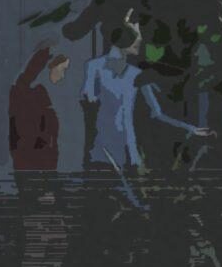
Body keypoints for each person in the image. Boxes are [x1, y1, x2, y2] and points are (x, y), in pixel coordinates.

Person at [79, 38, 208, 214]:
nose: (139, 39)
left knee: (135, 208)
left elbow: (158, 113)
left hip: (128, 150)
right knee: (104, 205)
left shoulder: (136, 74)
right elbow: (87, 104)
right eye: (134, 33)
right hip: (102, 148)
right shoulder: (94, 66)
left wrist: (190, 128)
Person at [9, 39, 71, 267]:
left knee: (55, 241)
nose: (63, 76)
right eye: (61, 70)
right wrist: (42, 54)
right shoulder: (26, 97)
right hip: (35, 178)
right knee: (39, 242)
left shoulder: (43, 99)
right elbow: (30, 146)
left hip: (47, 177)